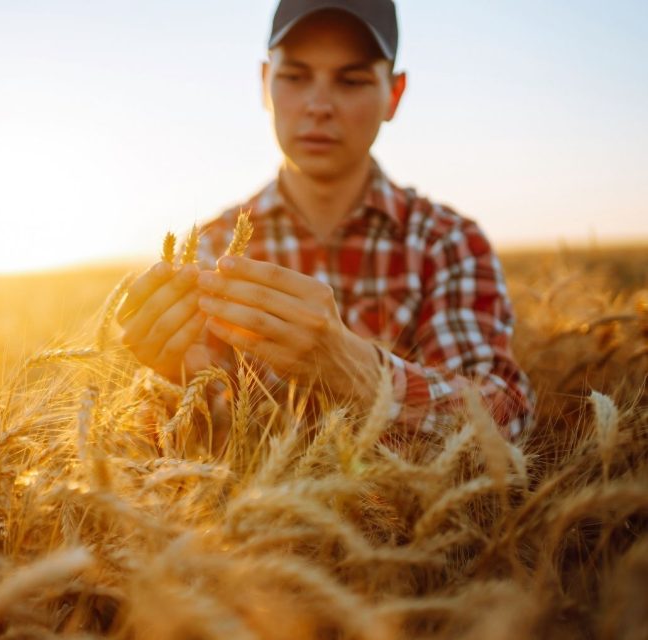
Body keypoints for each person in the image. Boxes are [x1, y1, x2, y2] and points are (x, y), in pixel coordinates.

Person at [117, 0, 534, 439]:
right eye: (295, 77)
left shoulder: (448, 244)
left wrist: (356, 370)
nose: (318, 105)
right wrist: (172, 384)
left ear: (394, 95)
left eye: (351, 81)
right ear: (264, 83)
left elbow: (506, 416)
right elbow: (166, 442)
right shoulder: (209, 250)